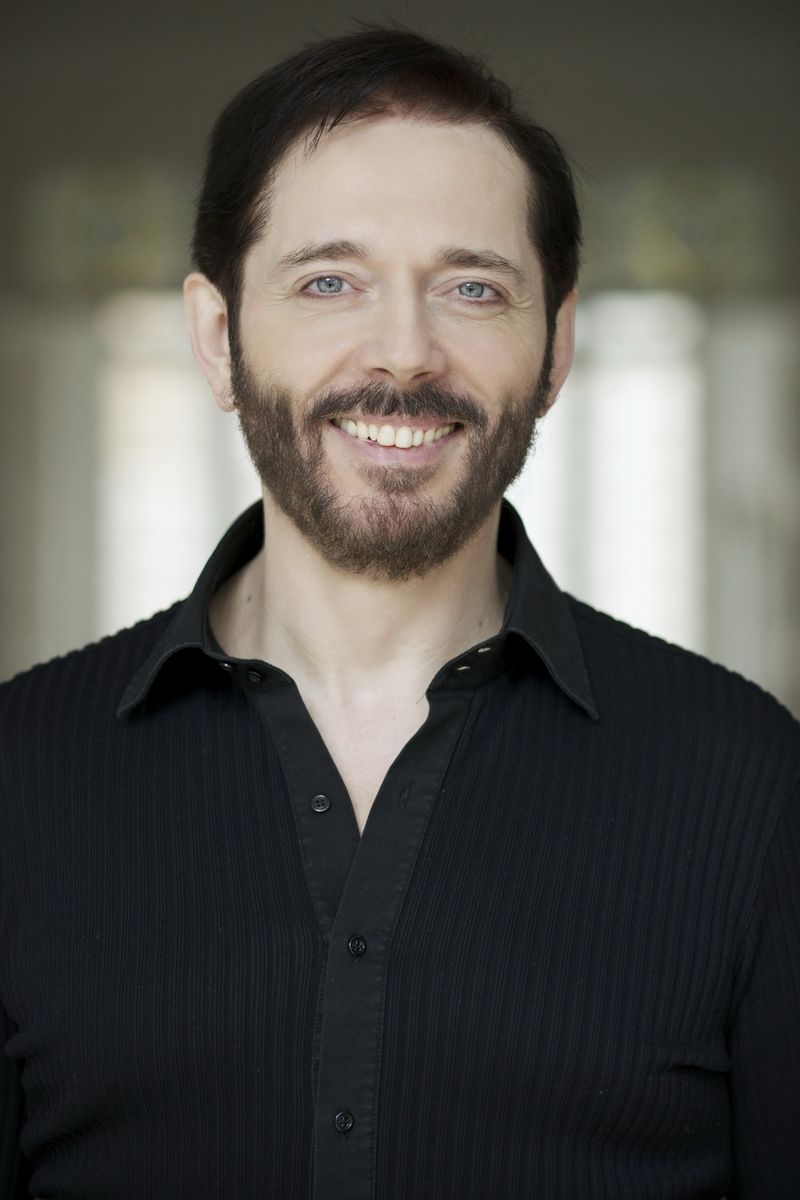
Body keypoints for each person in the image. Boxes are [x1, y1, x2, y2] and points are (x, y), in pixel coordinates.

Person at [1, 24, 798, 1200]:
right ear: (218, 339)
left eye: (472, 288)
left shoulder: (750, 783)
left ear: (555, 349)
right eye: (329, 282)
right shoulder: (16, 773)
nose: (405, 353)